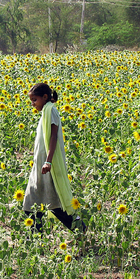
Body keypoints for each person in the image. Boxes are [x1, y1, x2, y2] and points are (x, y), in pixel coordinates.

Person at [23, 83, 85, 233]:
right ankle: (37, 238)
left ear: (45, 97)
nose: (33, 104)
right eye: (31, 100)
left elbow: (53, 138)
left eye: (35, 100)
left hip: (48, 166)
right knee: (34, 203)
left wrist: (48, 161)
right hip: (41, 165)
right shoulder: (46, 111)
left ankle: (80, 229)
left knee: (54, 204)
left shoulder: (51, 111)